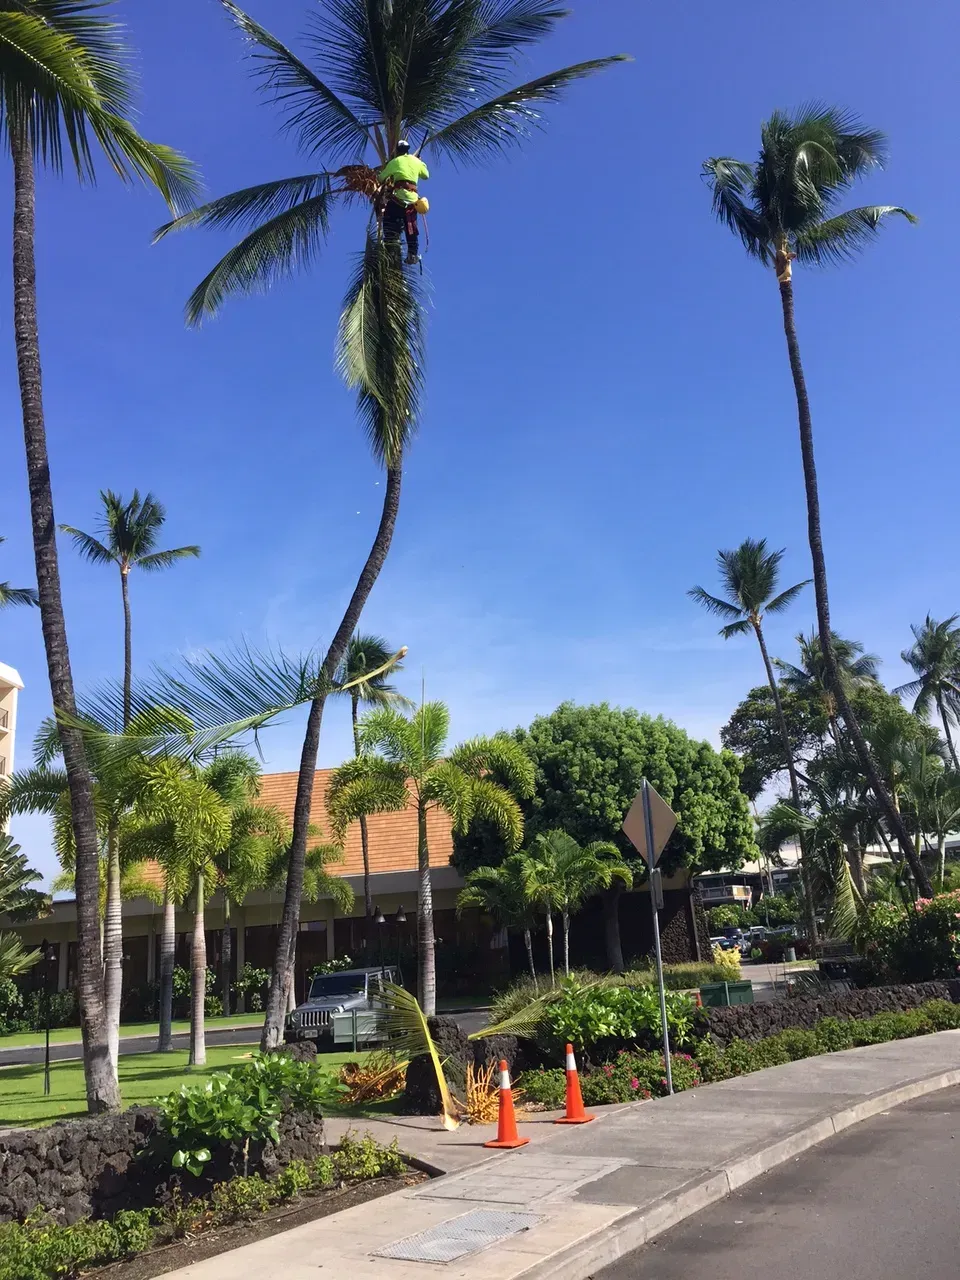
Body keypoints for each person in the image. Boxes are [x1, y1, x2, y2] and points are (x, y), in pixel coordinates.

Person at [379, 140, 429, 265]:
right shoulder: (416, 161)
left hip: (397, 200)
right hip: (412, 202)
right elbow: (426, 175)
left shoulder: (394, 162)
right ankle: (412, 255)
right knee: (411, 229)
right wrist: (421, 162)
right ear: (408, 149)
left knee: (389, 220)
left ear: (397, 151)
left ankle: (389, 247)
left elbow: (381, 178)